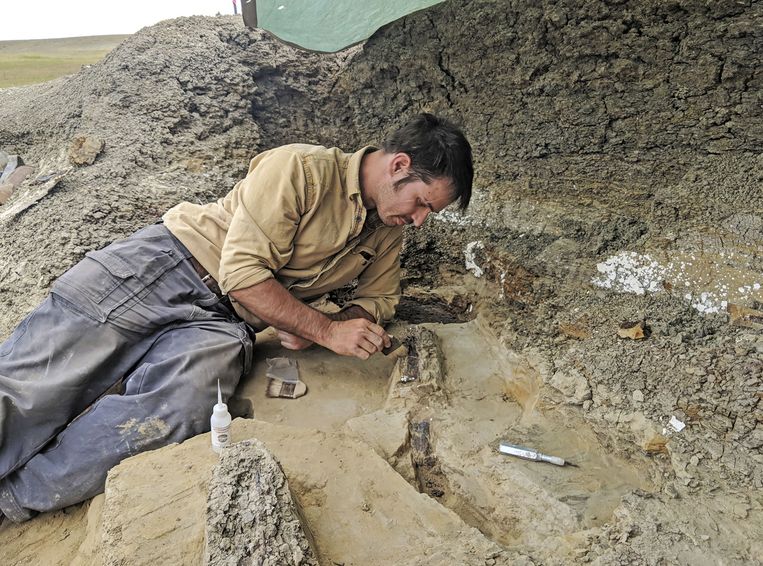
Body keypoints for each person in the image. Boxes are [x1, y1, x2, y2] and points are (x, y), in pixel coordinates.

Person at [0, 113, 473, 523]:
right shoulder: (303, 169)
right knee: (34, 388)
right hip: (165, 266)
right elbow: (243, 274)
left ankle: (12, 501)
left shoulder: (385, 229)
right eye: (422, 205)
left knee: (182, 409)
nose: (419, 222)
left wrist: (343, 319)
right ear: (399, 167)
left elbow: (381, 298)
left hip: (224, 324)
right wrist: (322, 328)